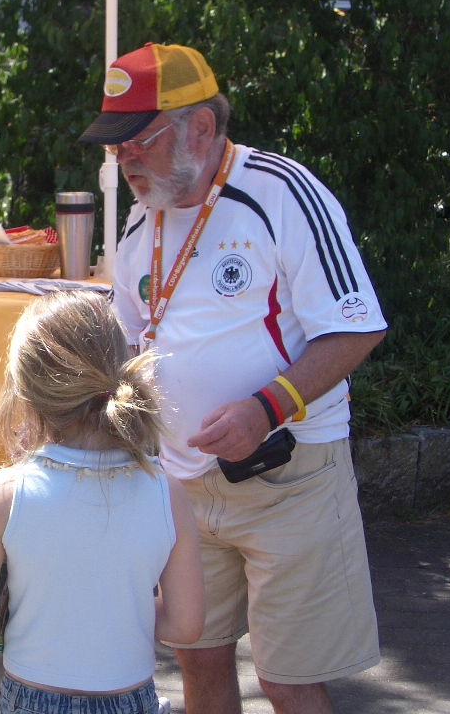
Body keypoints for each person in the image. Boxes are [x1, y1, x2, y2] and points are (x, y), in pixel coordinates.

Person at [78, 43, 389, 714]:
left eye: (137, 141)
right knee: (198, 659)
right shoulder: (143, 212)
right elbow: (129, 336)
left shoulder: (283, 192)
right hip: (182, 486)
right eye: (116, 146)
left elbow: (359, 325)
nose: (124, 159)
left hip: (287, 477)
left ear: (199, 127)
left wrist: (265, 408)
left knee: (287, 681)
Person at [0, 290, 205, 714]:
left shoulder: (6, 493)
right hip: (129, 699)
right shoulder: (167, 494)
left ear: (25, 391)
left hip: (32, 700)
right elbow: (186, 624)